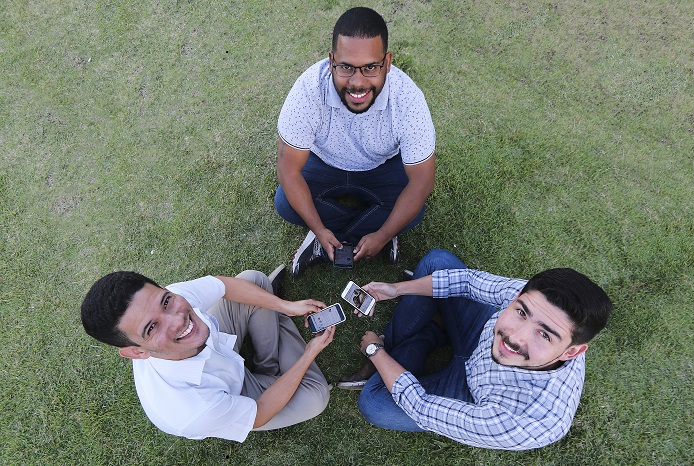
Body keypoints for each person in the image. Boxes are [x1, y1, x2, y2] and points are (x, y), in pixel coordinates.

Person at [339, 249, 611, 450]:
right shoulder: (535, 298)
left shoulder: (526, 423)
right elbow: (468, 282)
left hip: (472, 393)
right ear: (517, 298)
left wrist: (376, 350)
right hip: (479, 336)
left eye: (544, 334)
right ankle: (431, 332)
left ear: (571, 352)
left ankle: (419, 339)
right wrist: (395, 289)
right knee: (438, 263)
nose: (514, 338)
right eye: (520, 312)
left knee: (375, 405)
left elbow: (422, 407)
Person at [80, 265, 335, 442]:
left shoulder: (167, 299)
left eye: (166, 301)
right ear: (136, 351)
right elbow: (258, 413)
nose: (177, 320)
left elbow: (222, 285)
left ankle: (268, 363)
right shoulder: (193, 410)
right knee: (316, 396)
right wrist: (309, 354)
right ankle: (276, 338)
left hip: (224, 349)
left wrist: (284, 305)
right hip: (231, 395)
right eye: (151, 328)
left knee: (253, 281)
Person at [274, 7, 436, 275]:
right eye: (347, 67)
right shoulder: (306, 92)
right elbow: (287, 171)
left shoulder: (408, 101)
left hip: (382, 167)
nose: (357, 83)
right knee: (285, 203)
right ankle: (343, 232)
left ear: (387, 62)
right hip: (323, 162)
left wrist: (383, 234)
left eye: (370, 67)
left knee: (415, 210)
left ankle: (362, 235)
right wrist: (318, 227)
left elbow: (422, 182)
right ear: (331, 61)